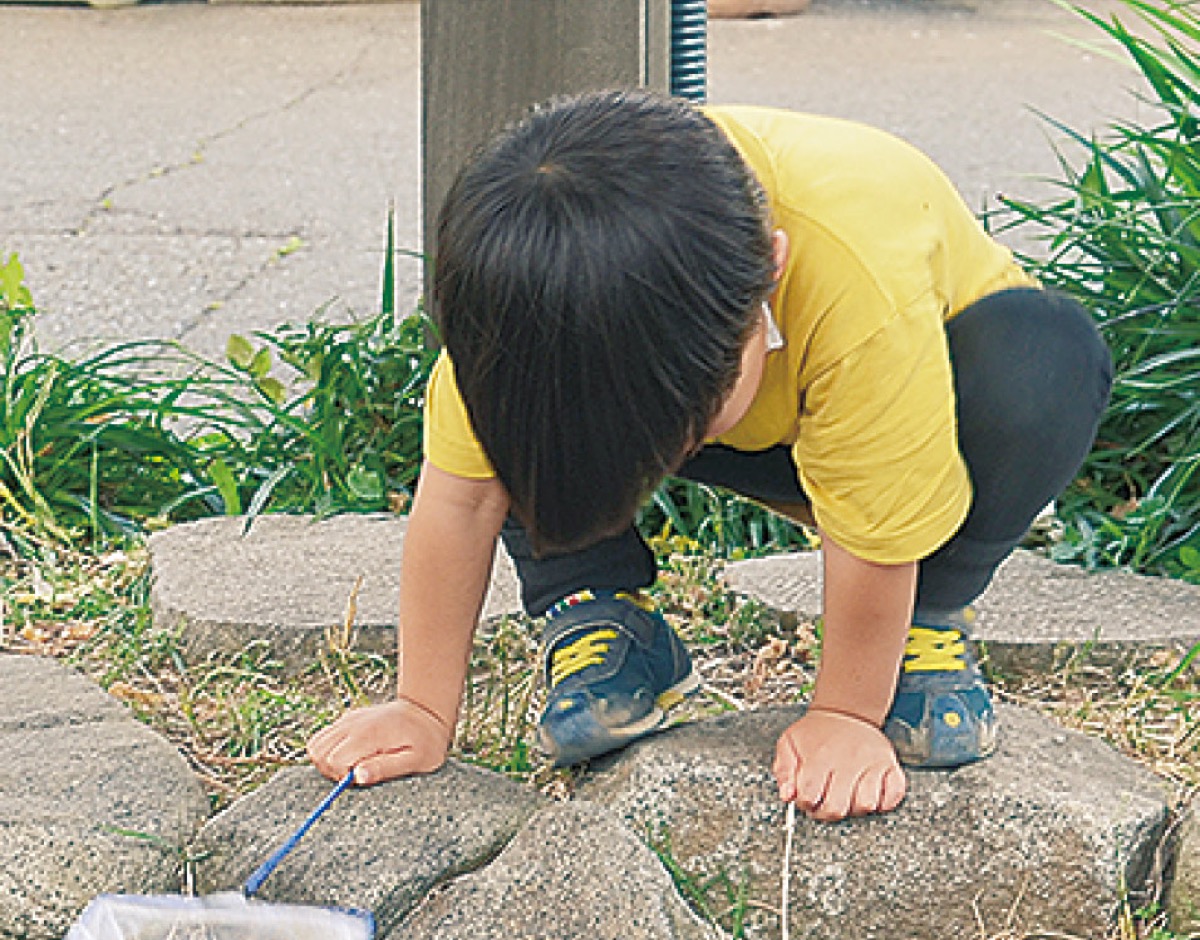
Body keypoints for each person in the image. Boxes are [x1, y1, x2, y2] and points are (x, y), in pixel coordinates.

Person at [308, 92, 1112, 822]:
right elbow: (461, 499)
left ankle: (926, 618)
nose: (653, 458)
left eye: (670, 428)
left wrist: (845, 715)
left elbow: (875, 532)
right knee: (542, 426)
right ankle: (597, 607)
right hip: (725, 395)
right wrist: (422, 708)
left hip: (931, 412)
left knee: (1043, 362)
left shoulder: (857, 277)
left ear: (772, 269)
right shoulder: (530, 294)